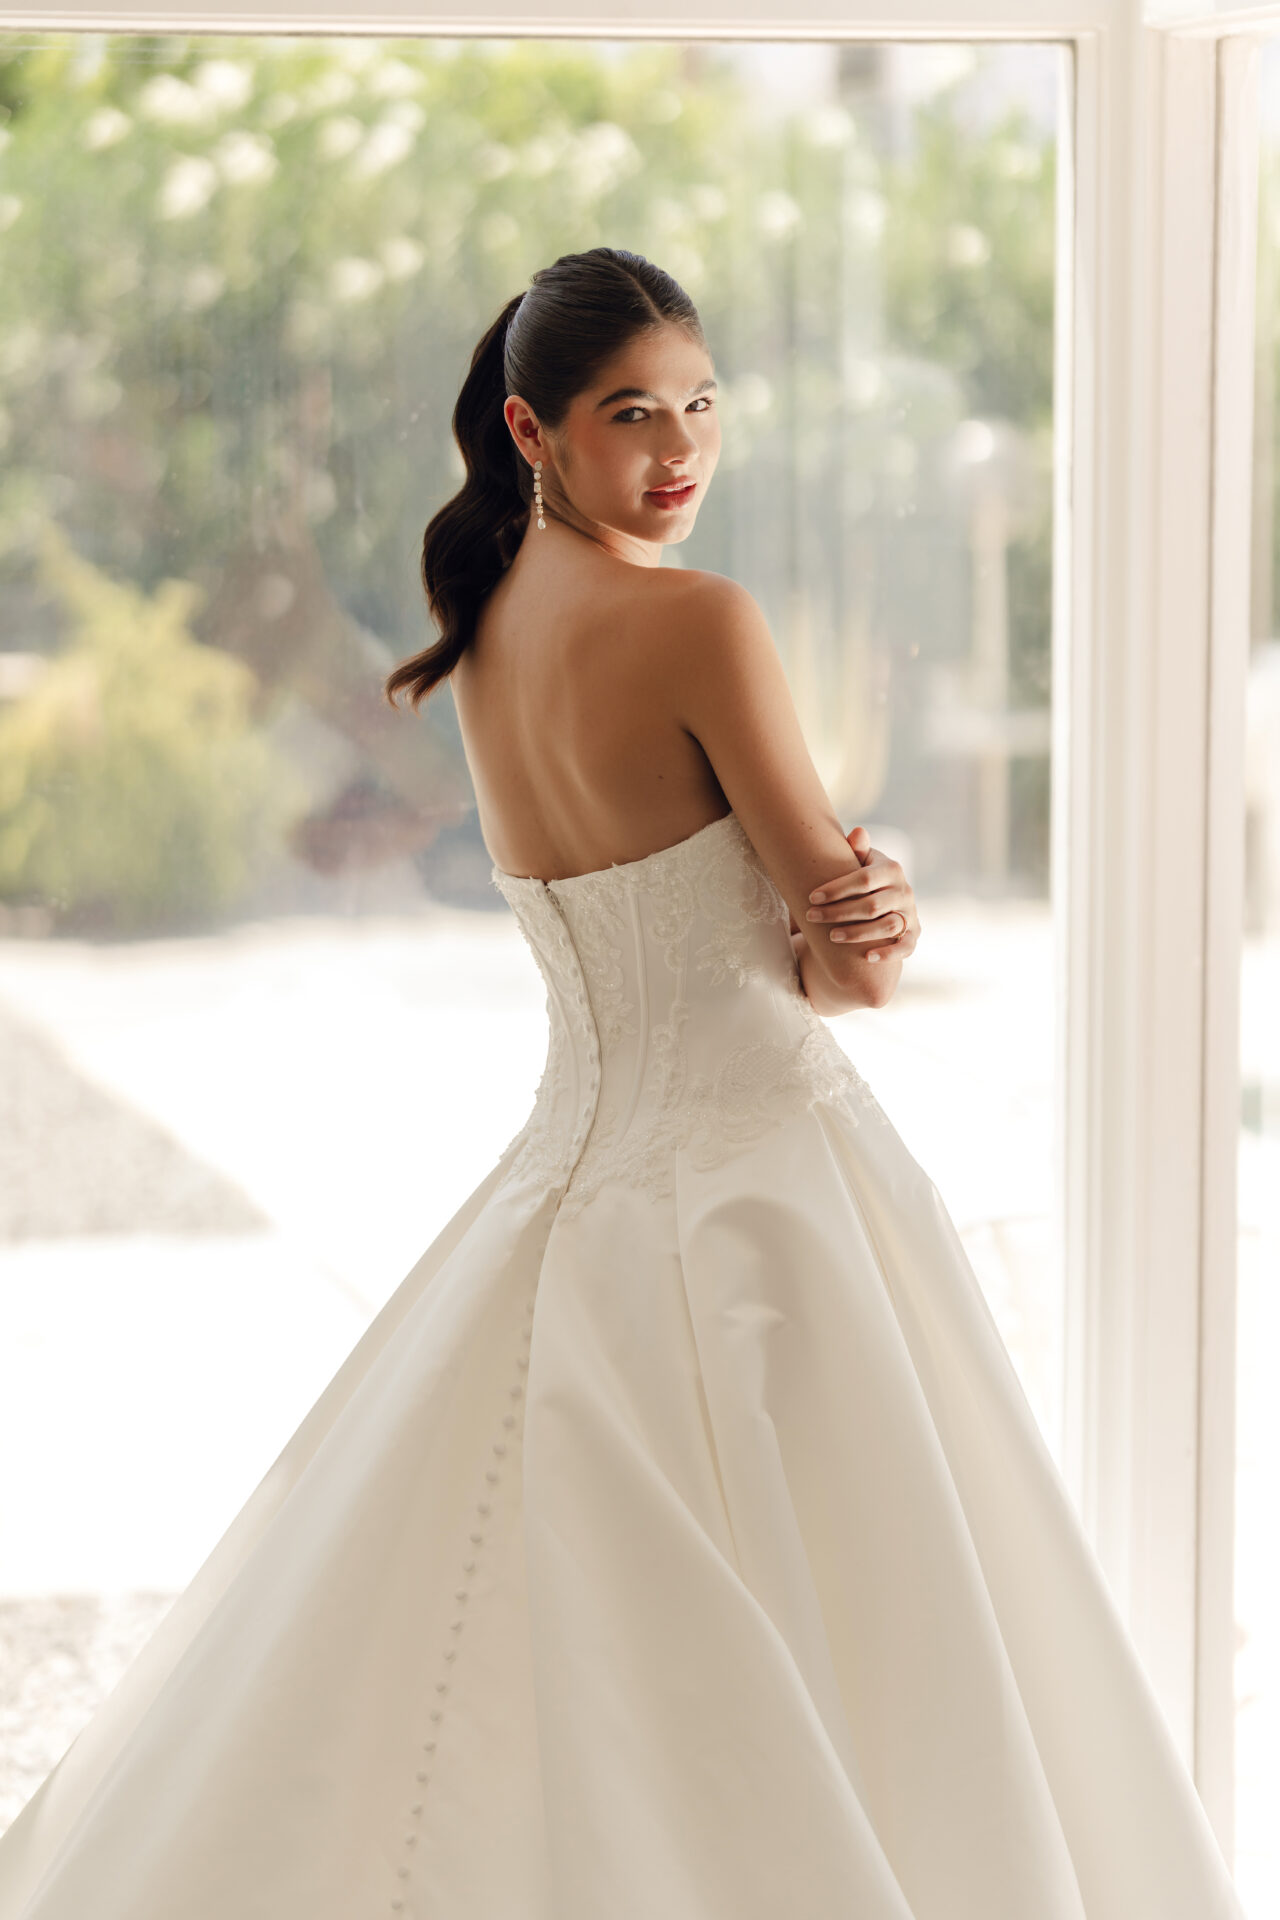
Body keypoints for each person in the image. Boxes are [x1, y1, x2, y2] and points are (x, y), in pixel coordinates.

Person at [0, 248, 1245, 1920]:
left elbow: (700, 925)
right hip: (766, 1195)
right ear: (534, 429)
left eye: (702, 405)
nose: (681, 449)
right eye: (633, 414)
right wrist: (872, 900)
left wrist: (820, 915)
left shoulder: (493, 631)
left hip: (572, 1191)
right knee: (875, 1636)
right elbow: (847, 968)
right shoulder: (698, 618)